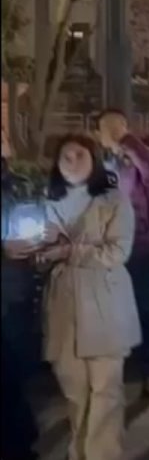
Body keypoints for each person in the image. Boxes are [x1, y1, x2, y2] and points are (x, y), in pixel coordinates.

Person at [39, 134, 141, 460]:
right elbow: (38, 253)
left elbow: (118, 251)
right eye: (65, 157)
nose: (72, 162)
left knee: (106, 391)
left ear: (93, 159)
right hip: (64, 304)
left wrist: (70, 251)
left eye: (79, 155)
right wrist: (38, 251)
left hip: (104, 302)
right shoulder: (46, 201)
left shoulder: (114, 200)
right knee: (75, 392)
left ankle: (103, 454)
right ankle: (79, 452)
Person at [95, 108, 149, 401]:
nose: (111, 132)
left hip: (138, 246)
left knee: (143, 310)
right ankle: (107, 381)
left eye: (118, 126)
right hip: (103, 249)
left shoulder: (141, 158)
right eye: (105, 128)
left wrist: (126, 140)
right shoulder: (98, 163)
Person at [1, 132, 40, 460]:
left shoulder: (20, 183)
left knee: (17, 369)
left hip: (16, 289)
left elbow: (34, 220)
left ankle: (20, 443)